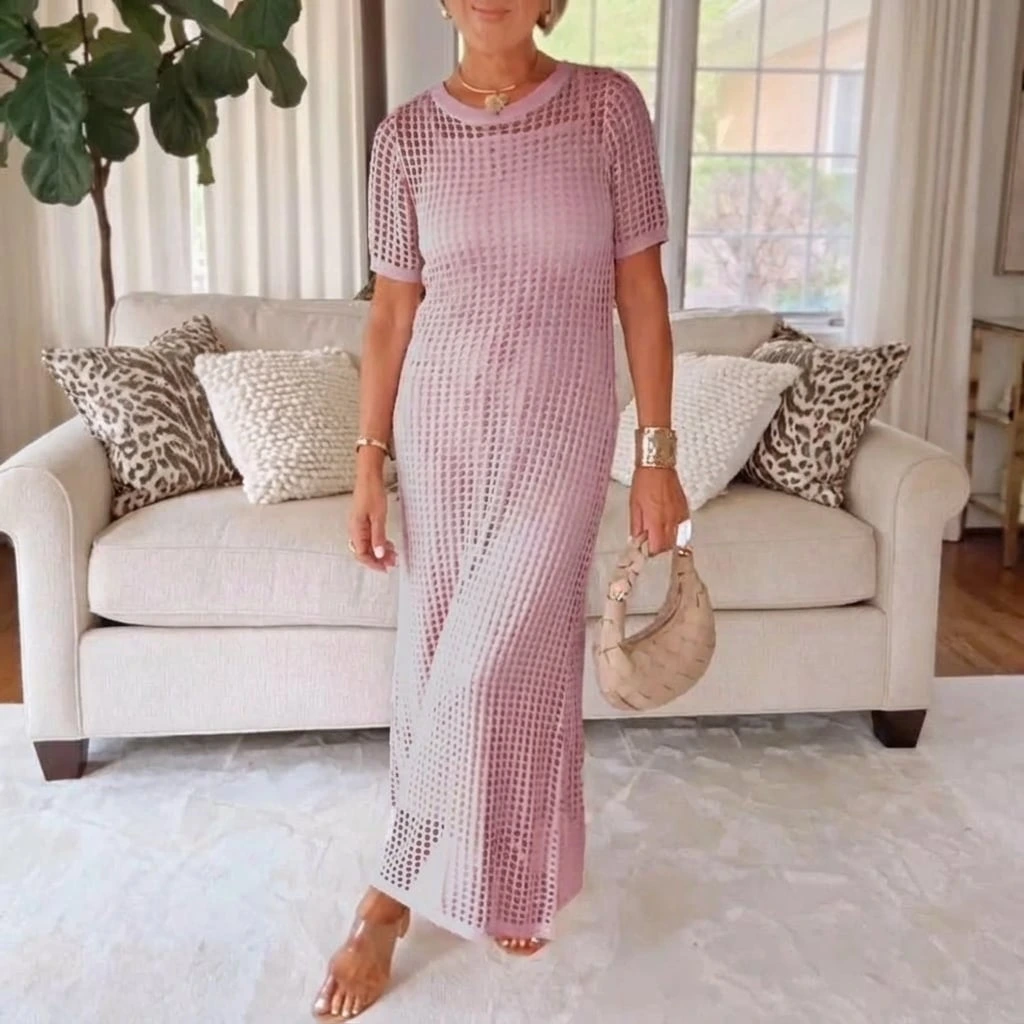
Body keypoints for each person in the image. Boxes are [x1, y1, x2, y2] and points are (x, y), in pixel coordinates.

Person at [312, 0, 689, 1017]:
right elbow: (392, 314)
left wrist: (656, 452)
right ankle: (519, 868)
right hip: (442, 437)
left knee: (489, 663)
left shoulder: (607, 109)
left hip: (563, 432)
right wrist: (368, 461)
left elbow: (642, 291)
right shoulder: (405, 138)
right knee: (446, 659)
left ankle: (387, 896)